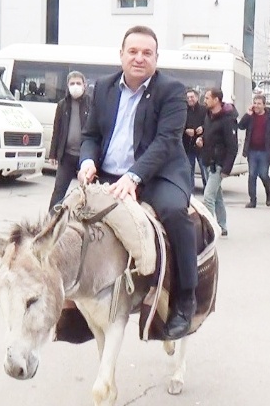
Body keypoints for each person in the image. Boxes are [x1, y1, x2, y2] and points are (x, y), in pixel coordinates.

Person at [78, 25, 197, 340]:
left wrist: (134, 176)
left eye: (147, 53)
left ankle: (185, 298)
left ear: (157, 58)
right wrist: (87, 161)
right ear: (121, 55)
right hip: (108, 175)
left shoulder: (171, 90)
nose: (139, 58)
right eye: (133, 51)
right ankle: (71, 294)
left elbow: (166, 141)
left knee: (175, 215)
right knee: (65, 214)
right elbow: (90, 136)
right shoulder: (103, 87)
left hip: (160, 173)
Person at [47, 71, 91, 212]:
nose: (75, 86)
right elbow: (57, 130)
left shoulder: (91, 103)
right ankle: (51, 220)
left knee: (88, 192)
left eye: (78, 83)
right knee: (59, 190)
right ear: (67, 86)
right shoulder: (62, 105)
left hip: (85, 157)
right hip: (66, 156)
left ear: (84, 85)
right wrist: (53, 154)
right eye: (72, 83)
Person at [198, 88, 238, 236]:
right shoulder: (208, 116)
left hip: (218, 164)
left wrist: (226, 169)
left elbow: (232, 146)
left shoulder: (227, 120)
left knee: (208, 196)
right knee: (217, 196)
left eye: (208, 98)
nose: (205, 100)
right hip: (207, 160)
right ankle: (223, 226)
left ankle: (209, 229)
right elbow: (209, 135)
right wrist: (201, 140)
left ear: (216, 100)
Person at [238, 94, 270, 208]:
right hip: (252, 150)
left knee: (263, 174)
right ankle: (252, 200)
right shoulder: (251, 116)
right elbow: (240, 126)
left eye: (259, 103)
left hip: (265, 150)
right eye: (255, 103)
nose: (256, 106)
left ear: (264, 105)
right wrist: (247, 114)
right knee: (252, 175)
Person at [183, 88, 207, 189]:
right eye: (188, 97)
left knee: (204, 170)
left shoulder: (204, 110)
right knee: (189, 171)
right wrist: (185, 130)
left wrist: (202, 128)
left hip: (201, 145)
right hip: (188, 145)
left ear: (197, 97)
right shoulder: (183, 110)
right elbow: (178, 124)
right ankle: (190, 192)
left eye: (192, 97)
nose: (190, 99)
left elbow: (209, 123)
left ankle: (208, 191)